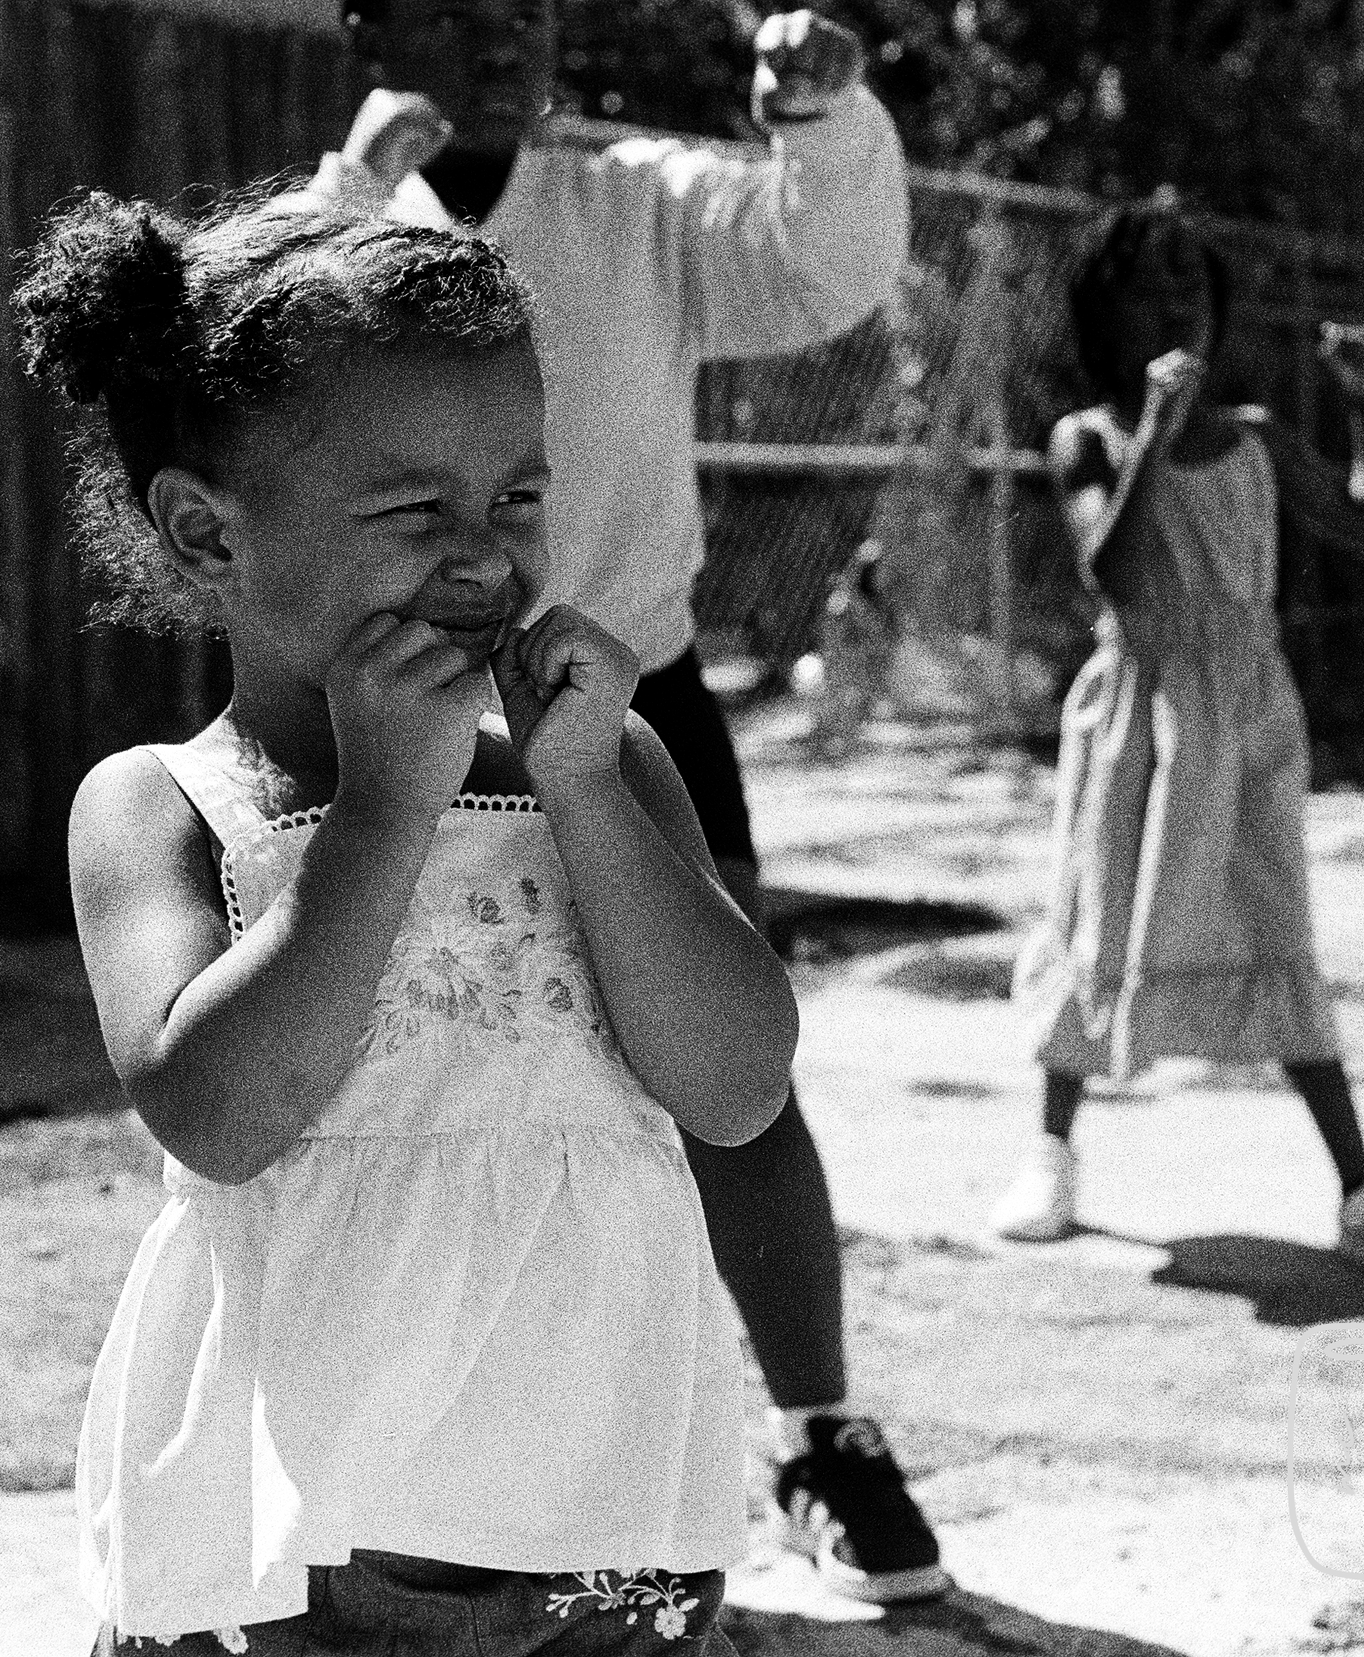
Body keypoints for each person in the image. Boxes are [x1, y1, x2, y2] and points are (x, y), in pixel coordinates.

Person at [19, 188, 802, 1652]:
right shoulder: (167, 809)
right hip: (321, 1521)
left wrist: (582, 794)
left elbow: (740, 1084)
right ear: (205, 533)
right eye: (410, 511)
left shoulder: (607, 761)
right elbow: (221, 1113)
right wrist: (382, 813)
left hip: (608, 1497)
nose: (485, 557)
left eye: (519, 495)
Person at [305, 0, 950, 1601]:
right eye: (464, 4)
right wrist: (341, 199)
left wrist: (823, 116)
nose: (510, 33)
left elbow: (827, 262)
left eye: (532, 5)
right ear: (375, 22)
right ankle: (390, 1487)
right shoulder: (325, 225)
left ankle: (819, 1434)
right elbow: (250, 406)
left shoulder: (636, 207)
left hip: (626, 701)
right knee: (396, 1095)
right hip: (383, 723)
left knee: (725, 1076)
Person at [989, 203, 1364, 1279]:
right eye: (1152, 293)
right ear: (1106, 312)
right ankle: (1051, 1151)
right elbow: (1107, 570)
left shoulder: (1252, 438)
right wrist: (1152, 427)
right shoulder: (1088, 438)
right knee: (1098, 914)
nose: (1176, 314)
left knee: (1274, 918)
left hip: (1247, 714)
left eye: (1192, 294)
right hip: (1134, 716)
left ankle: (1361, 1192)